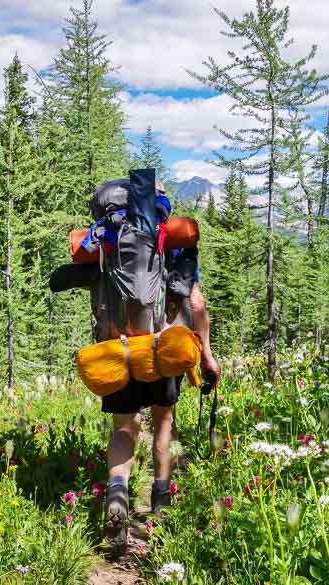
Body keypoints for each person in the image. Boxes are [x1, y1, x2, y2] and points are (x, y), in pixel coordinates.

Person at [101, 181, 221, 557]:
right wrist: (206, 353)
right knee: (163, 424)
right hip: (162, 349)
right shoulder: (172, 238)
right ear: (162, 204)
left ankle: (117, 492)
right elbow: (196, 303)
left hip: (118, 347)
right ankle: (161, 507)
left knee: (123, 428)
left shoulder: (109, 233)